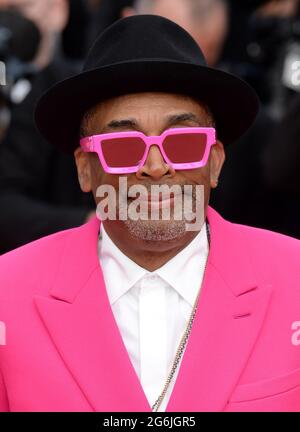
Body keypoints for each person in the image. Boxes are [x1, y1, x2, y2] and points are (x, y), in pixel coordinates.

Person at [0, 15, 299, 412]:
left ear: (215, 162)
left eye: (183, 142)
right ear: (85, 169)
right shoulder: (7, 292)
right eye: (124, 146)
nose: (156, 166)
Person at [0, 0, 94, 254]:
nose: (6, 25)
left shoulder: (81, 90)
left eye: (19, 10)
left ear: (58, 12)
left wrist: (91, 224)